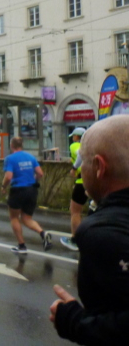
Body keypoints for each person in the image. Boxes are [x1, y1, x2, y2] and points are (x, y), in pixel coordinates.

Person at [49, 115, 129, 345]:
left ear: (99, 167)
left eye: (84, 162)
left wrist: (74, 322)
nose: (81, 168)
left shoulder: (102, 233)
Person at [1, 137, 52, 253]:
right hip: (32, 190)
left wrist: (3, 186)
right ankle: (43, 233)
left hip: (18, 190)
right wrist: (33, 180)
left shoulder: (10, 159)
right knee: (27, 218)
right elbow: (40, 173)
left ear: (11, 146)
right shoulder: (30, 157)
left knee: (14, 217)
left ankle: (22, 246)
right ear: (21, 145)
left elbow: (8, 176)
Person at [61, 127, 87, 251]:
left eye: (73, 136)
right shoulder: (91, 145)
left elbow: (80, 154)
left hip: (82, 182)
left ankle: (75, 240)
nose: (72, 138)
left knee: (75, 211)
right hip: (94, 181)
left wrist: (74, 168)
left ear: (77, 137)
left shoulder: (75, 145)